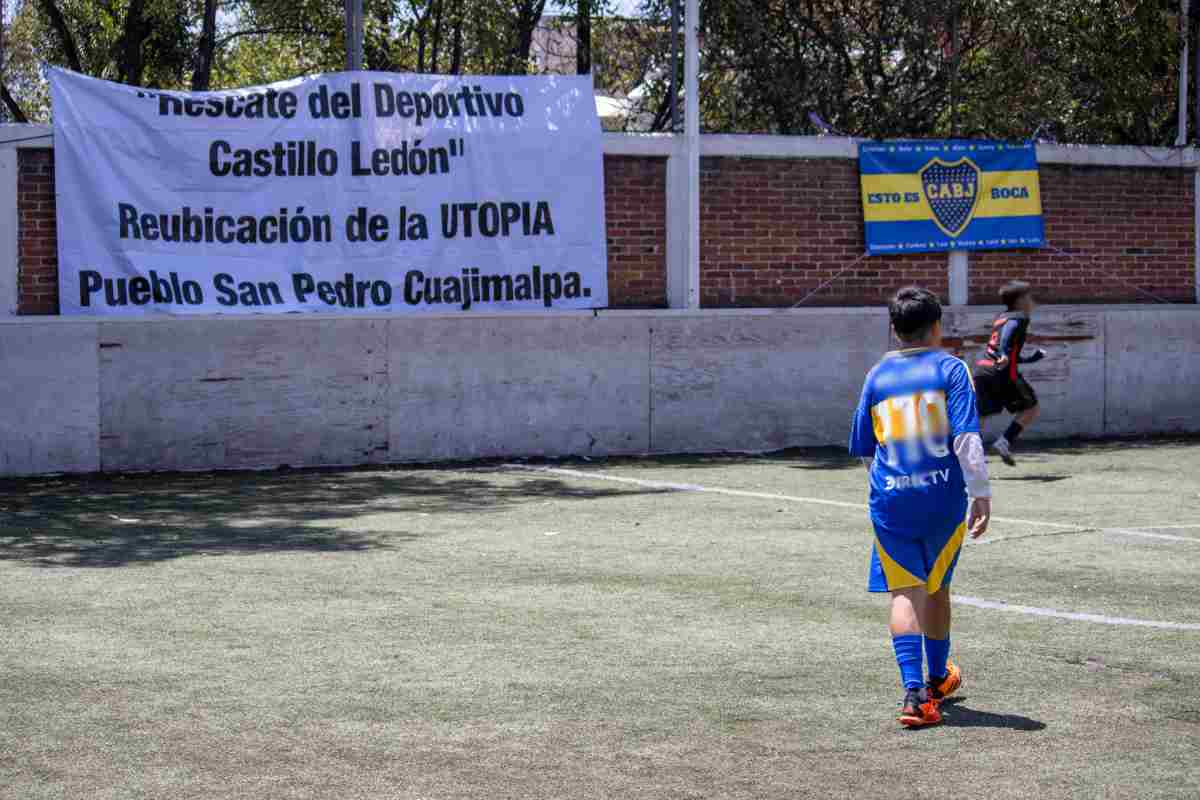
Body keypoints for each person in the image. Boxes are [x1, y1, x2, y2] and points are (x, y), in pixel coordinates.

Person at [849, 287, 992, 728]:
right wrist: (981, 491)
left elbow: (863, 447)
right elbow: (966, 437)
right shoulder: (951, 368)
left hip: (891, 501)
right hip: (942, 498)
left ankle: (917, 695)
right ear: (937, 327)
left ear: (894, 330)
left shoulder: (877, 375)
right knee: (937, 587)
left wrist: (891, 484)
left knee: (904, 592)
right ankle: (934, 679)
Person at [973, 281, 1046, 466]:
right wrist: (1005, 352)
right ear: (1020, 301)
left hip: (983, 369)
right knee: (1031, 408)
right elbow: (1008, 334)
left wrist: (1031, 358)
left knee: (982, 414)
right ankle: (1003, 442)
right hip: (1002, 373)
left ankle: (973, 453)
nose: (1032, 302)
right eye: (1029, 298)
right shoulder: (1018, 318)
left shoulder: (1001, 318)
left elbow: (1008, 352)